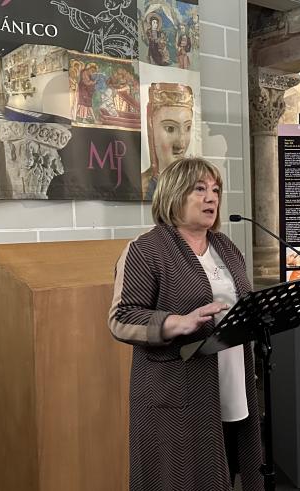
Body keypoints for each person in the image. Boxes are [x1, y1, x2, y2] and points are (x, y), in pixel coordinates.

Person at [109, 157, 263, 491]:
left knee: (230, 470)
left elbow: (242, 303)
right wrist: (174, 322)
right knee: (183, 479)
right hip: (178, 390)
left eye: (216, 190)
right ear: (174, 194)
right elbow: (121, 319)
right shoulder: (146, 250)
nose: (212, 198)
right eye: (200, 189)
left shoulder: (225, 246)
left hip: (232, 380)